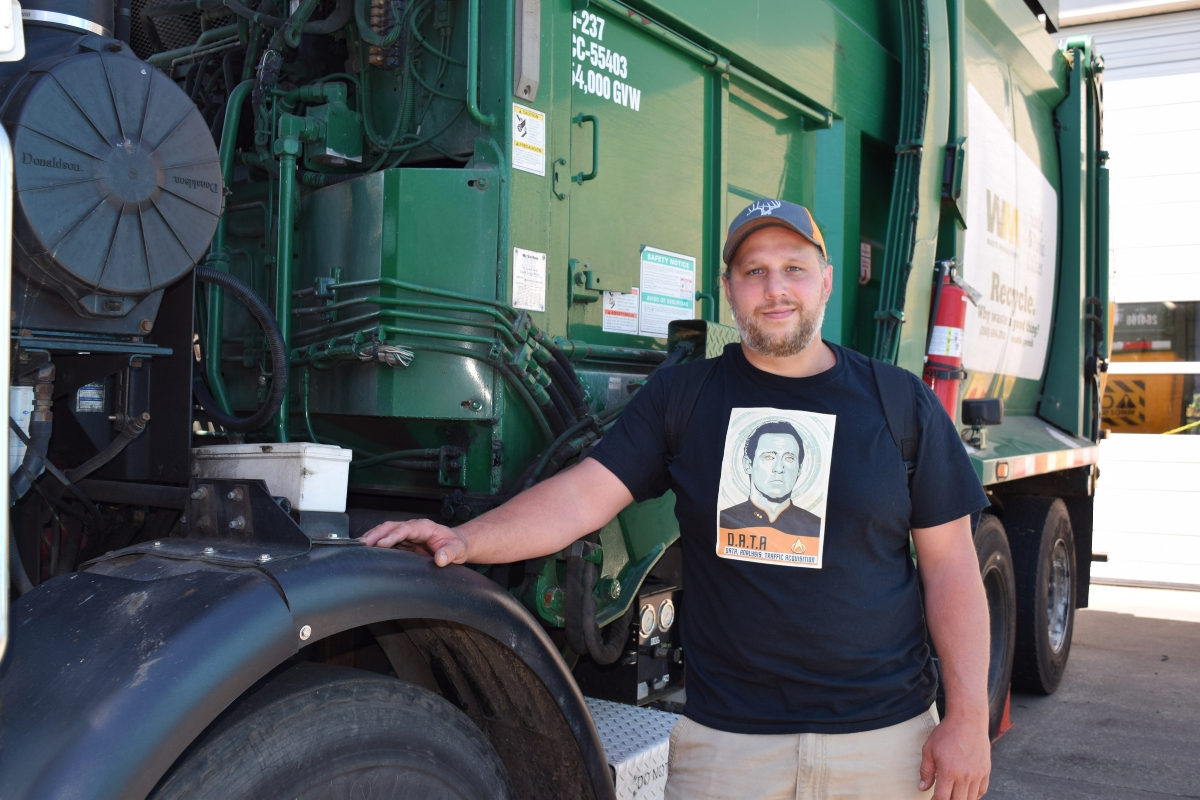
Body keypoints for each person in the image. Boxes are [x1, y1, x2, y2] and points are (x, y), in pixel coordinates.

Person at [363, 199, 993, 800]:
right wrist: (467, 539)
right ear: (728, 289)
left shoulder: (899, 403)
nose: (776, 288)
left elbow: (951, 566)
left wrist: (966, 718)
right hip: (729, 750)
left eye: (794, 270)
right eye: (755, 272)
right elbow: (582, 495)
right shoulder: (684, 399)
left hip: (885, 746)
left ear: (826, 282)